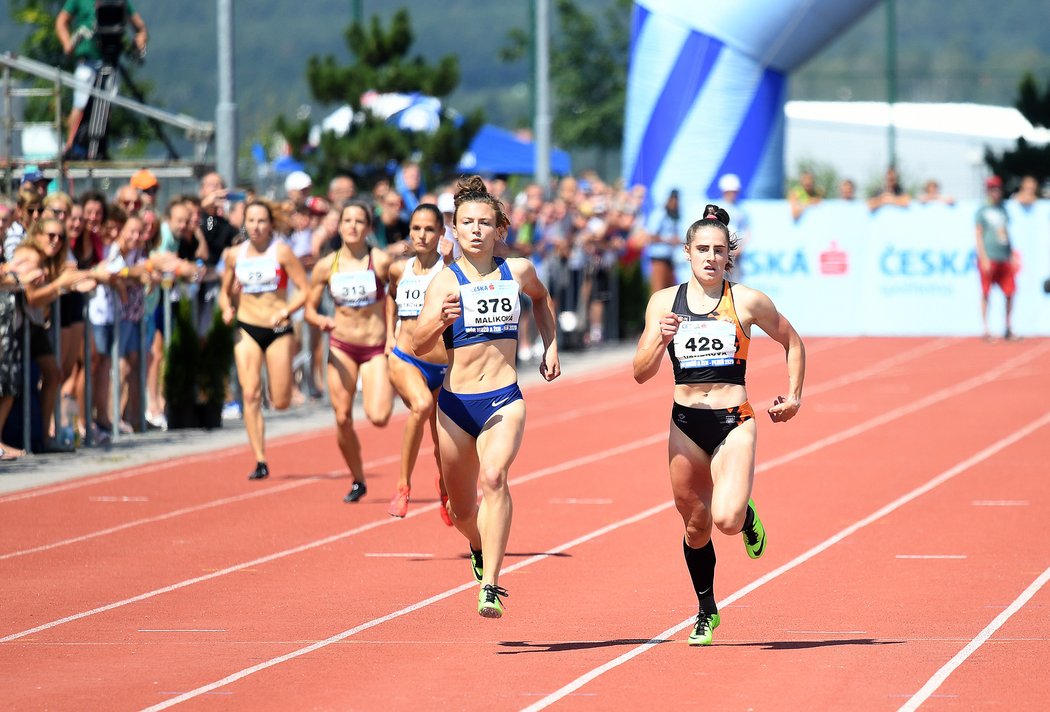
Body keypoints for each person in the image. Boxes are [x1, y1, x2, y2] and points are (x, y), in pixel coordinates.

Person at [632, 203, 805, 646]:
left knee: (725, 519)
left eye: (718, 250)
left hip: (734, 420)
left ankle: (746, 516)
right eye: (702, 249)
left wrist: (795, 395)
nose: (710, 257)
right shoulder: (662, 303)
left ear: (729, 255)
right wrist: (659, 339)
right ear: (687, 252)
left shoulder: (745, 300)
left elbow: (792, 340)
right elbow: (640, 371)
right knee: (695, 525)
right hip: (685, 422)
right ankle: (706, 610)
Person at [413, 175, 561, 619]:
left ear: (500, 229)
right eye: (467, 223)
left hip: (503, 398)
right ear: (453, 231)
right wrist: (439, 320)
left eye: (484, 222)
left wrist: (550, 344)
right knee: (461, 512)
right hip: (456, 407)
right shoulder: (444, 282)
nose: (475, 230)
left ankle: (491, 585)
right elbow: (418, 344)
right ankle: (478, 544)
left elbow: (542, 299)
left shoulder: (517, 271)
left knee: (494, 477)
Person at [304, 200, 394, 502]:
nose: (353, 226)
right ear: (339, 226)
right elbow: (309, 309)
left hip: (374, 347)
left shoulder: (380, 261)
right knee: (342, 417)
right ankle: (358, 479)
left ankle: (384, 384)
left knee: (379, 416)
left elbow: (397, 294)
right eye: (347, 221)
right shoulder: (326, 265)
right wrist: (321, 319)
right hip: (341, 346)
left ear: (368, 228)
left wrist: (393, 334)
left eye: (359, 221)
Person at [219, 201, 310, 480]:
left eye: (261, 221)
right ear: (244, 223)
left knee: (280, 400)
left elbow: (304, 290)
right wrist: (227, 308)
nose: (256, 227)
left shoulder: (281, 252)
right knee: (250, 393)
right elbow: (224, 292)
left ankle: (281, 397)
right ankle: (260, 459)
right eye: (251, 221)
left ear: (271, 224)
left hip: (278, 328)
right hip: (247, 327)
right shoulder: (235, 255)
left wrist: (286, 311)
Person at [384, 204, 453, 522]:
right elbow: (390, 297)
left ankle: (444, 489)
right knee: (421, 404)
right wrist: (389, 336)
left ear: (441, 232)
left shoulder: (448, 268)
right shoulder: (400, 269)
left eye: (429, 229)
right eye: (416, 229)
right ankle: (402, 486)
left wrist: (451, 259)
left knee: (443, 443)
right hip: (406, 357)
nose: (422, 235)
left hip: (443, 366)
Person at [55, 0, 148, 157]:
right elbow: (61, 22)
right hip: (87, 60)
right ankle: (71, 146)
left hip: (110, 62)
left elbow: (140, 27)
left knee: (106, 105)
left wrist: (139, 43)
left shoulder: (119, 1)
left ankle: (99, 146)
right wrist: (68, 44)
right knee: (80, 103)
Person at [975, 175, 1019, 341]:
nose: (996, 192)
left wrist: (1012, 253)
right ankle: (985, 329)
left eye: (997, 188)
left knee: (1010, 292)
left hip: (1004, 258)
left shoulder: (1003, 209)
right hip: (989, 257)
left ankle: (1008, 327)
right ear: (988, 190)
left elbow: (1006, 233)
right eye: (992, 188)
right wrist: (983, 257)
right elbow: (978, 235)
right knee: (986, 293)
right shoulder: (982, 211)